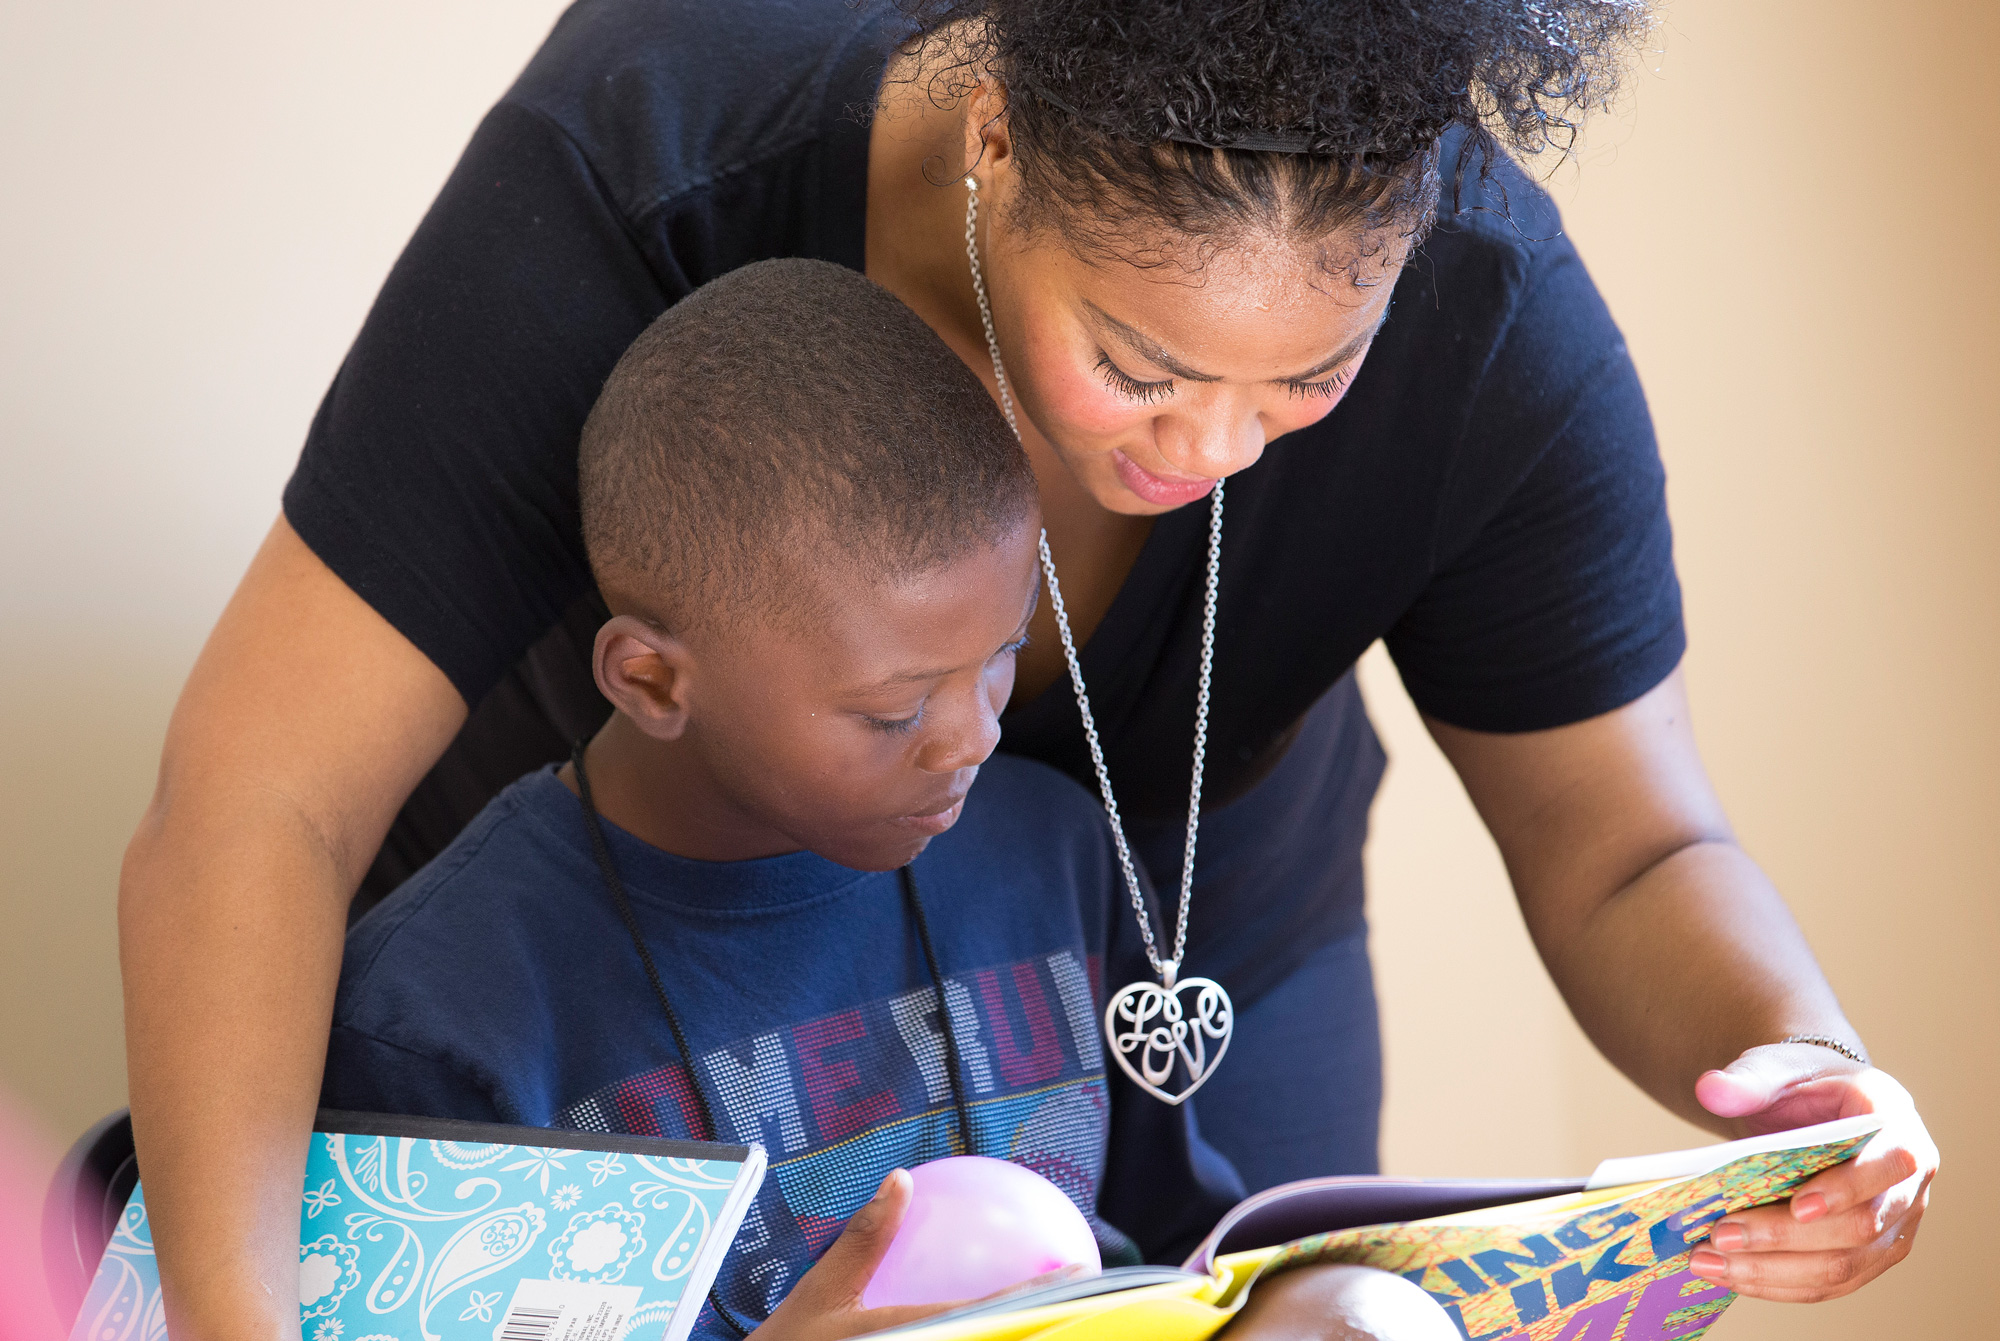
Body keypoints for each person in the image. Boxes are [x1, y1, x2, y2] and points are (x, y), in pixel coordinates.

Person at [119, 0, 1935, 1334]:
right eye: (1142, 366)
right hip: (634, 996)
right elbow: (257, 805)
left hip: (1140, 973)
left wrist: (1809, 1075)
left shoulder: (1494, 321)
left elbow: (1626, 845)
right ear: (991, 136)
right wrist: (234, 1318)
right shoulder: (658, 146)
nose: (1218, 449)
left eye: (1308, 379)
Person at [323, 256, 1456, 1341]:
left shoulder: (1048, 852)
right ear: (655, 680)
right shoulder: (438, 1020)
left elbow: (1173, 1253)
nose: (973, 737)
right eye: (891, 710)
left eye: (1005, 654)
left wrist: (1317, 1311)